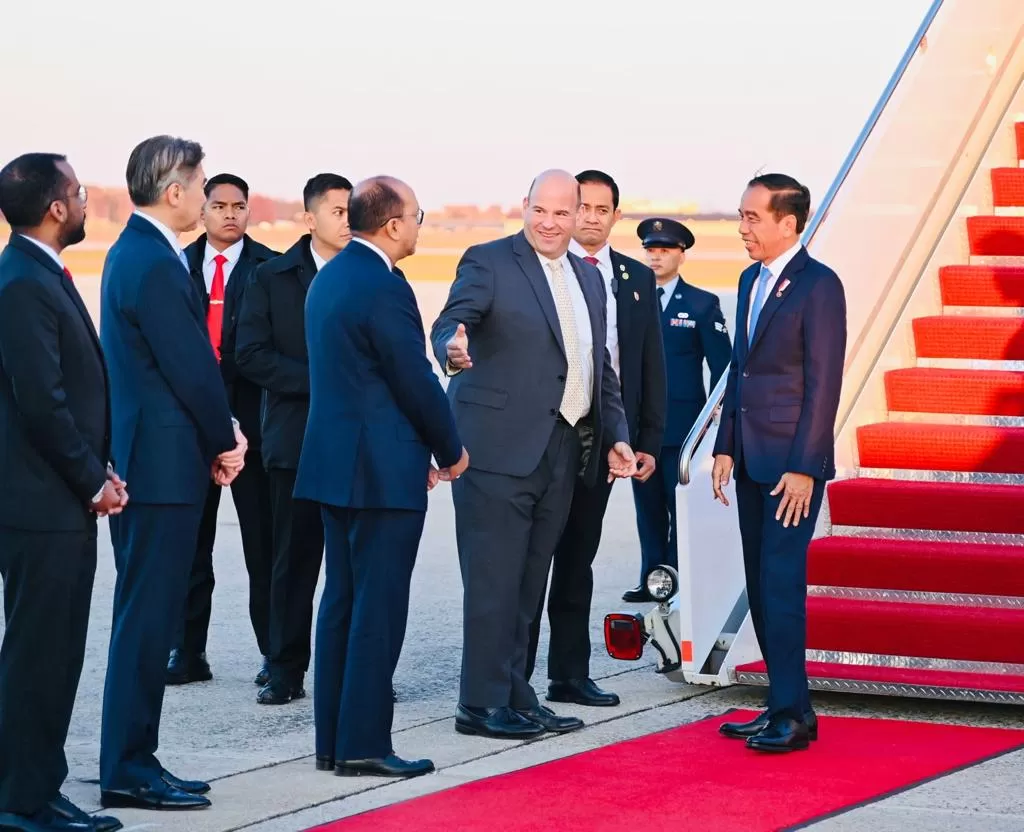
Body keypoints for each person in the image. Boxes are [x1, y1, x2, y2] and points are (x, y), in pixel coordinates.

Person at [431, 169, 637, 740]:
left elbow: (600, 370)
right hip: (495, 450)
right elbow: (454, 320)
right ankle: (478, 704)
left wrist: (616, 432)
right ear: (525, 207)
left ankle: (517, 697)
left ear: (579, 216)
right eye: (540, 211)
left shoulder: (589, 279)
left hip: (561, 448)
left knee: (529, 583)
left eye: (562, 213)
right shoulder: (490, 260)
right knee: (494, 582)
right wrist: (451, 346)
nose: (550, 222)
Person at [294, 175, 467, 777]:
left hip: (334, 466)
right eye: (417, 215)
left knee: (340, 601)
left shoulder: (332, 276)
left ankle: (334, 741)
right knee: (379, 607)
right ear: (393, 225)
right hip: (380, 471)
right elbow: (412, 378)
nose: (420, 225)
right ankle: (365, 743)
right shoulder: (384, 284)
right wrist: (450, 448)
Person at [98, 135, 247, 809]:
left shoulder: (135, 252)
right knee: (147, 622)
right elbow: (191, 365)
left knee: (147, 619)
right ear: (174, 190)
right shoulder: (154, 262)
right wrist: (227, 438)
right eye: (201, 181)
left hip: (151, 461)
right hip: (160, 470)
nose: (205, 191)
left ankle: (136, 758)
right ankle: (128, 768)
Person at [0, 153, 125, 832]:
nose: (83, 203)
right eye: (77, 194)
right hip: (42, 504)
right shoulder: (23, 281)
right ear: (56, 208)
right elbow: (41, 403)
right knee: (38, 656)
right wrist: (91, 481)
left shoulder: (36, 272)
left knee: (48, 653)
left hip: (57, 494)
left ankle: (30, 788)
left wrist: (98, 470)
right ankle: (24, 800)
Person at [713, 174, 846, 752]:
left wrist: (807, 465)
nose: (742, 228)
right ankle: (782, 705)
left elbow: (824, 383)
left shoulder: (819, 286)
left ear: (788, 223)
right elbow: (738, 371)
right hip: (748, 458)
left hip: (790, 467)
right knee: (760, 587)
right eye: (740, 216)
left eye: (751, 218)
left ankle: (793, 715)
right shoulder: (749, 280)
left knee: (782, 586)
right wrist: (723, 443)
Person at [524, 169, 666, 707]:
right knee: (533, 558)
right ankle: (516, 677)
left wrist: (645, 437)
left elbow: (647, 363)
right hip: (544, 436)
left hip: (605, 438)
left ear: (614, 217)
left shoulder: (633, 278)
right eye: (581, 207)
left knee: (577, 557)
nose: (589, 218)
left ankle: (569, 673)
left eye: (602, 210)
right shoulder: (543, 270)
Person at [235, 172, 353, 705]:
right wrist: (321, 381)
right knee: (293, 560)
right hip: (295, 438)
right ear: (309, 218)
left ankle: (356, 664)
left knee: (354, 562)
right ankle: (283, 665)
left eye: (353, 210)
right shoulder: (272, 275)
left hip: (358, 442)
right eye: (336, 211)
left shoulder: (371, 273)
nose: (347, 220)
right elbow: (251, 354)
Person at [170, 173, 279, 687]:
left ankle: (274, 654)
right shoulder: (177, 264)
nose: (230, 214)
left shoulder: (272, 268)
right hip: (192, 428)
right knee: (192, 546)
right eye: (219, 205)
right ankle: (188, 652)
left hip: (254, 428)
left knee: (264, 546)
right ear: (203, 210)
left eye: (239, 205)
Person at [628, 216, 731, 600]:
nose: (655, 257)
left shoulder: (702, 304)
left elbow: (723, 367)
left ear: (681, 255)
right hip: (640, 429)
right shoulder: (631, 300)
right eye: (650, 250)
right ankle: (651, 581)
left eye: (664, 250)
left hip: (684, 427)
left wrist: (720, 419)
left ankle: (674, 578)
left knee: (678, 506)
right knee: (648, 510)